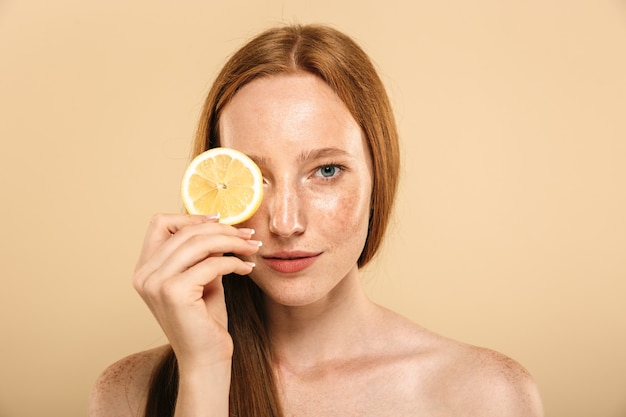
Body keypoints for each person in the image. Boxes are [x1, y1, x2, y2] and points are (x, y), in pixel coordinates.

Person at [89, 24, 543, 417]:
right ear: (217, 185)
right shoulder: (128, 394)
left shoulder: (484, 395)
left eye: (326, 171)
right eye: (257, 177)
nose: (286, 224)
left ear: (377, 178)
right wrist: (205, 371)